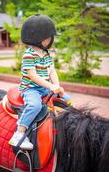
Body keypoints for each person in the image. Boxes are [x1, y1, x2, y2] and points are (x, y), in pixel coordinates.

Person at [9, 14, 71, 150]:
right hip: (31, 88)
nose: (50, 40)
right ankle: (19, 133)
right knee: (35, 105)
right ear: (37, 38)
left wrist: (58, 86)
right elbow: (33, 76)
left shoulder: (46, 54)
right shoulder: (29, 54)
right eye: (48, 37)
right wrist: (51, 86)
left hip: (44, 88)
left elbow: (52, 71)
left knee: (67, 100)